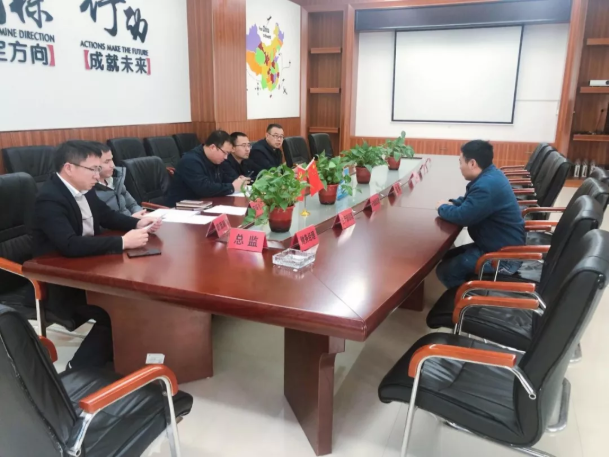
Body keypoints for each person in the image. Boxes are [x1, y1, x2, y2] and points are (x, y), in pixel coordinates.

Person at [32, 140, 162, 370]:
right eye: (92, 169)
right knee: (119, 308)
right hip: (60, 278)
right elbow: (69, 245)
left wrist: (137, 223)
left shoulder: (83, 188)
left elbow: (107, 216)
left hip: (89, 263)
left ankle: (123, 354)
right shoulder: (49, 199)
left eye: (98, 168)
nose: (97, 175)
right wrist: (122, 242)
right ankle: (79, 369)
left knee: (138, 294)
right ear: (69, 168)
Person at [435, 140, 525, 289]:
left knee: (445, 271)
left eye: (460, 162)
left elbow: (463, 216)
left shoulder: (486, 186)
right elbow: (470, 201)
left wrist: (442, 208)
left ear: (472, 163)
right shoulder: (491, 175)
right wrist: (453, 203)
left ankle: (469, 299)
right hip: (496, 245)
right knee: (447, 255)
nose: (459, 167)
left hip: (503, 258)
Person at [165, 130, 250, 207]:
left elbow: (223, 178)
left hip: (205, 204)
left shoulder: (216, 160)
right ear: (213, 147)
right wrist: (232, 187)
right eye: (225, 153)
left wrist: (237, 181)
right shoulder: (190, 161)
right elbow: (204, 188)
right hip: (182, 208)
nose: (226, 157)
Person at [94, 144, 146, 218]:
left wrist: (141, 214)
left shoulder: (116, 179)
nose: (112, 165)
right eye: (106, 162)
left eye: (112, 159)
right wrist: (132, 220)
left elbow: (132, 205)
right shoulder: (89, 191)